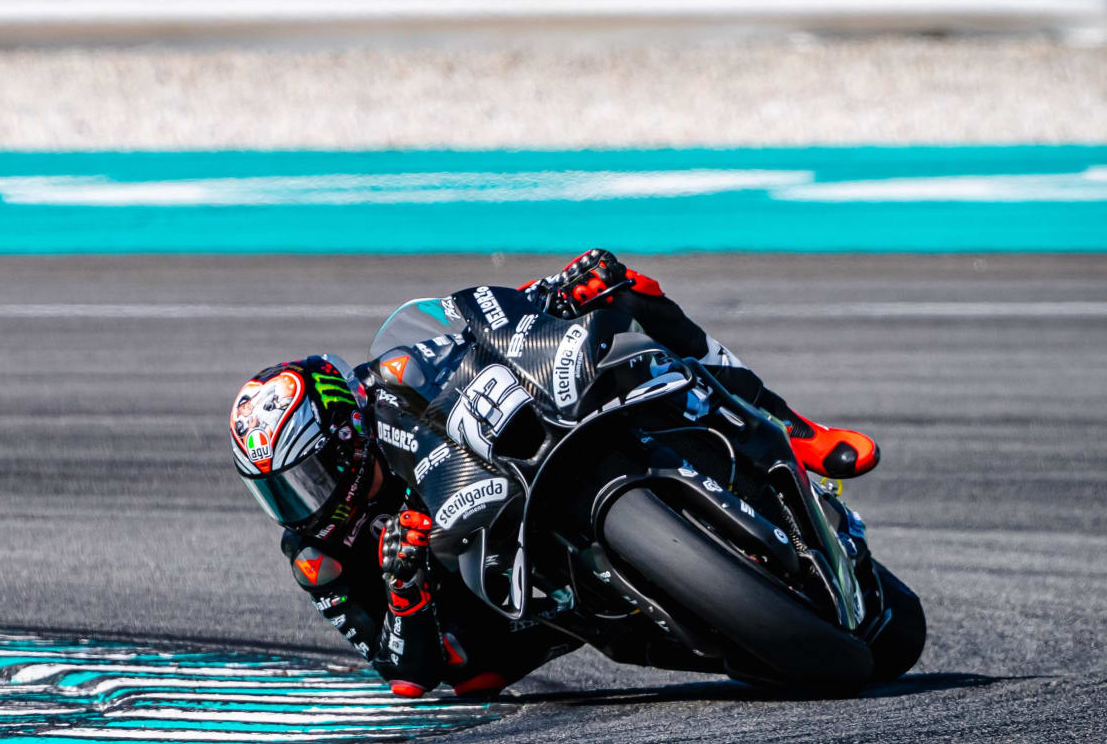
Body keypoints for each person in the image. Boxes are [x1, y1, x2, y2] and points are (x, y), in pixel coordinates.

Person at [229, 249, 879, 698]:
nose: (300, 503)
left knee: (625, 286)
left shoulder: (388, 384)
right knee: (469, 673)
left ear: (344, 438)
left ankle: (800, 432)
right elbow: (404, 675)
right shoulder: (318, 556)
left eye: (307, 477)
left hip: (514, 465)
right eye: (277, 491)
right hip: (504, 612)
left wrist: (555, 293)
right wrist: (405, 587)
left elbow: (476, 326)